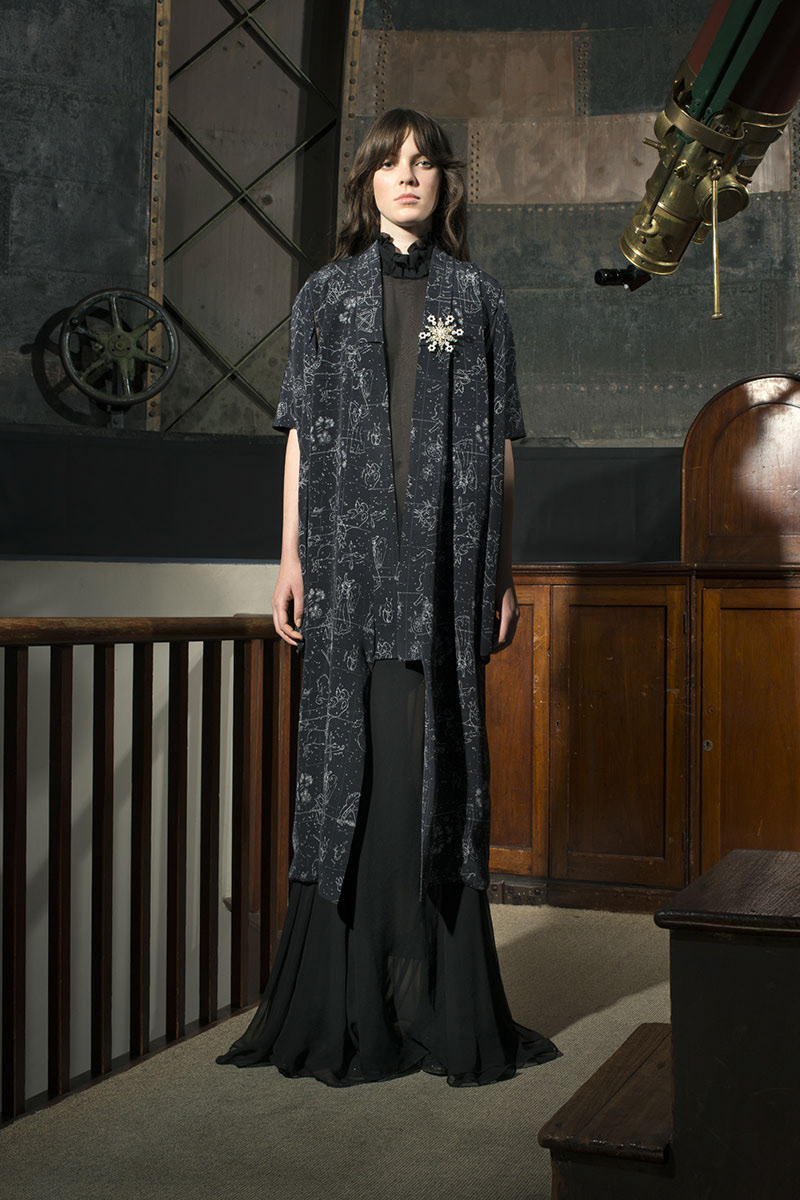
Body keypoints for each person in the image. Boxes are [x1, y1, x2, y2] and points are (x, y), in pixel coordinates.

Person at [217, 108, 559, 1087]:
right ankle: (345, 999)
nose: (409, 175)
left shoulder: (476, 298)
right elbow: (299, 432)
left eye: (424, 162)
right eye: (391, 162)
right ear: (367, 181)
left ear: (443, 183)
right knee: (348, 780)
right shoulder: (325, 296)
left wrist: (499, 572)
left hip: (443, 578)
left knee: (432, 772)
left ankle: (438, 999)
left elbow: (499, 448)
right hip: (346, 573)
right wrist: (289, 559)